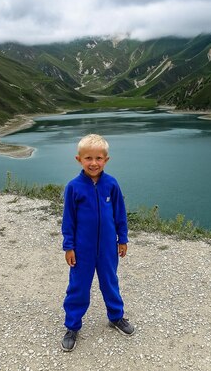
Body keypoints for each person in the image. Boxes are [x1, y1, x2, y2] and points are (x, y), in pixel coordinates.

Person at [60, 134, 135, 352]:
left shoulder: (111, 184)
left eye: (99, 158)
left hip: (107, 249)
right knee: (78, 287)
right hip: (82, 250)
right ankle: (72, 326)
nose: (94, 163)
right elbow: (68, 220)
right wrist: (69, 246)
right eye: (88, 158)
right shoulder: (73, 187)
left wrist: (123, 238)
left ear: (106, 160)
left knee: (110, 282)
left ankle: (116, 317)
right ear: (79, 159)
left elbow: (120, 213)